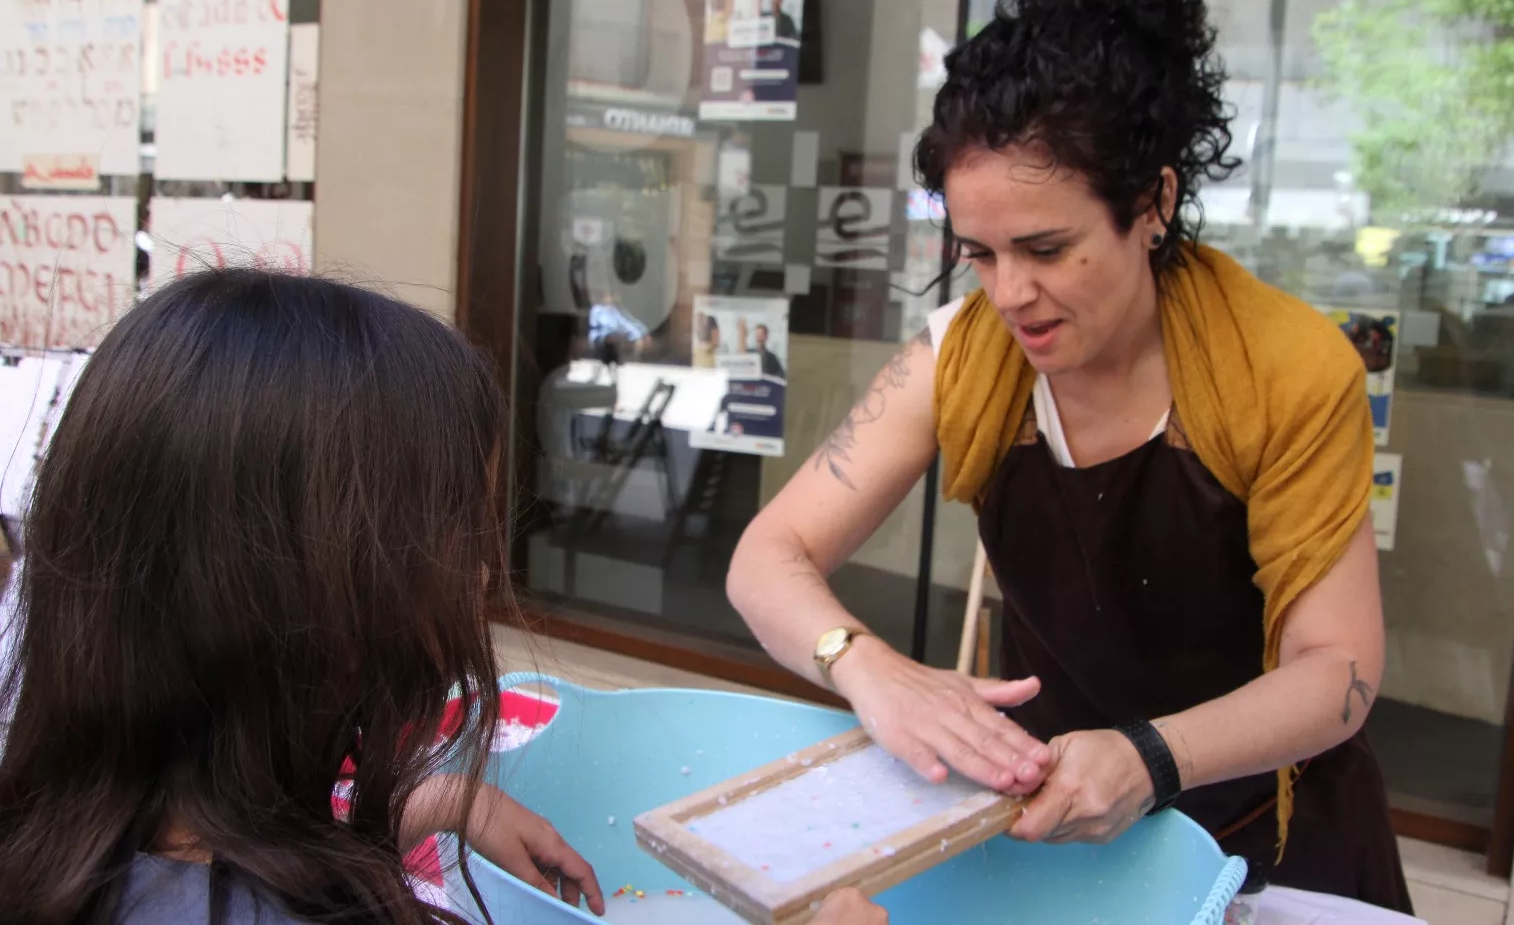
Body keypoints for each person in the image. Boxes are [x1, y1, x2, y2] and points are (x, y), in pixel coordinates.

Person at [726, 0, 1412, 913]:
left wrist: (1152, 758)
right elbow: (767, 557)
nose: (1011, 294)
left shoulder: (1286, 370)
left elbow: (1335, 672)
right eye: (980, 252)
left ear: (1153, 204)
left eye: (1047, 248)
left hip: (1267, 830)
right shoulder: (960, 356)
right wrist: (871, 670)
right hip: (1053, 823)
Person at [0, 270, 886, 925]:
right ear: (317, 598)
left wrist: (420, 804)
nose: (479, 576)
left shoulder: (61, 831)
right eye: (458, 533)